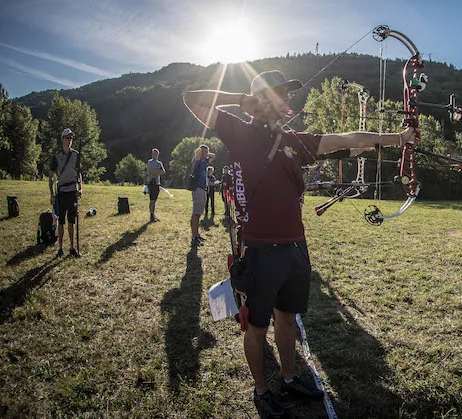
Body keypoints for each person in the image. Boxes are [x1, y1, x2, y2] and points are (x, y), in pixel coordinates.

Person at [183, 70, 416, 417]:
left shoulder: (296, 140)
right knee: (257, 326)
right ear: (261, 100)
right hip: (259, 249)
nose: (287, 100)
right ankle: (262, 392)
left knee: (287, 318)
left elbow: (344, 138)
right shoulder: (238, 131)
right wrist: (242, 100)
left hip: (295, 247)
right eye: (279, 94)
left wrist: (398, 138)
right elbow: (192, 98)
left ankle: (290, 377)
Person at [48, 128, 82, 258]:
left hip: (72, 191)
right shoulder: (56, 156)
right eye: (67, 138)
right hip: (61, 192)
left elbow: (79, 173)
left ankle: (72, 248)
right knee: (61, 221)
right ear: (62, 139)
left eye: (71, 138)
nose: (70, 140)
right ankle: (61, 248)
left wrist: (80, 188)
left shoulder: (76, 155)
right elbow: (51, 176)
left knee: (71, 221)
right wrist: (52, 194)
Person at [189, 145, 214, 246]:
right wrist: (199, 153)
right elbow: (193, 166)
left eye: (206, 152)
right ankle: (194, 236)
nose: (206, 154)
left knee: (199, 214)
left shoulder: (204, 161)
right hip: (198, 189)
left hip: (203, 189)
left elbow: (214, 156)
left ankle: (197, 234)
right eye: (204, 152)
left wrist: (206, 153)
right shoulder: (197, 160)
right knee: (196, 214)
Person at [146, 148, 166, 222]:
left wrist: (156, 172)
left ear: (158, 155)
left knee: (154, 200)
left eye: (156, 154)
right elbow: (150, 172)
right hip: (151, 183)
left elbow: (163, 171)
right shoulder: (149, 162)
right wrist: (158, 172)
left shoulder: (159, 163)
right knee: (152, 200)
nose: (154, 155)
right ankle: (151, 215)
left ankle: (153, 215)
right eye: (153, 154)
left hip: (157, 183)